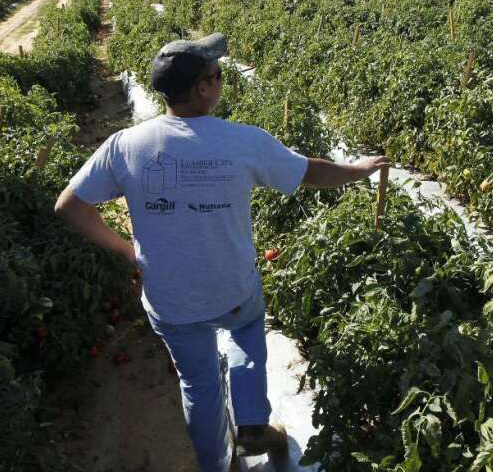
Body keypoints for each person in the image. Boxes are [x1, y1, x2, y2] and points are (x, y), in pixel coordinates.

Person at [54, 33, 389, 472]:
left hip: (170, 299)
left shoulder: (126, 145)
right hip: (232, 287)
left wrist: (126, 250)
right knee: (247, 331)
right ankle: (251, 422)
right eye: (217, 75)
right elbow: (312, 172)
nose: (221, 81)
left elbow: (69, 206)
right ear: (202, 89)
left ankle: (215, 463)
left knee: (198, 386)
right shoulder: (241, 141)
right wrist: (359, 169)